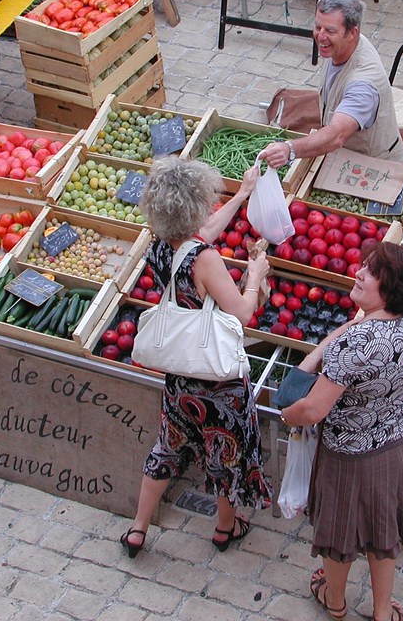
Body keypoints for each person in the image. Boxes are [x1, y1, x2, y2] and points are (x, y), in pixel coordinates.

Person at [120, 158, 274, 557]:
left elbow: (202, 234)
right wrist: (255, 276)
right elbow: (242, 311)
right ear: (198, 203)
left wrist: (242, 193)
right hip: (217, 381)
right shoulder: (207, 260)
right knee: (225, 452)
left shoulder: (158, 245)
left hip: (180, 377)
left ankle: (138, 528)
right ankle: (225, 528)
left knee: (167, 447)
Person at [280, 243, 403, 621]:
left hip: (349, 454)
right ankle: (381, 611)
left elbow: (314, 409)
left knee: (338, 537)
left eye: (370, 271)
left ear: (389, 289)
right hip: (396, 442)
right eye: (363, 264)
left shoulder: (356, 345)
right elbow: (361, 322)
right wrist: (315, 357)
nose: (359, 272)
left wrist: (288, 416)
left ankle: (335, 600)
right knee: (384, 533)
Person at [259, 0, 403, 168]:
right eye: (318, 27)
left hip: (375, 168)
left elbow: (337, 135)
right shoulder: (341, 46)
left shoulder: (363, 85)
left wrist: (290, 149)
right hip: (345, 158)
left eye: (330, 30)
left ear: (352, 33)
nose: (320, 37)